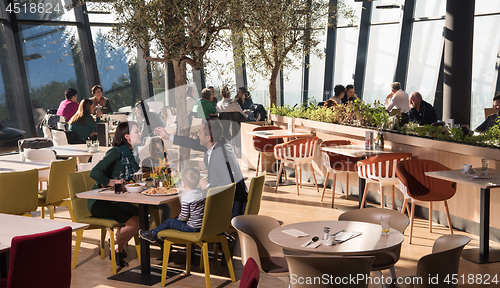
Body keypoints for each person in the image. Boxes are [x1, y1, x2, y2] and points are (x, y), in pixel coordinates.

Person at [154, 118, 247, 218]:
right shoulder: (217, 143)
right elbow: (191, 143)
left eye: (199, 132)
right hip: (225, 200)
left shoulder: (221, 157)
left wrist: (208, 186)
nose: (197, 135)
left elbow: (229, 186)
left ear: (208, 138)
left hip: (230, 207)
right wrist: (168, 136)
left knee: (187, 212)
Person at [89, 121, 141, 267]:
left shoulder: (131, 153)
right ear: (127, 136)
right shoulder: (116, 152)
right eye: (137, 131)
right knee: (134, 222)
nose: (140, 134)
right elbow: (95, 172)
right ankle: (117, 247)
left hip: (117, 199)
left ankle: (117, 245)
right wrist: (110, 181)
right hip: (100, 201)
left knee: (143, 217)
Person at [138, 167, 206, 242]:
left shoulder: (186, 197)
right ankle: (162, 236)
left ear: (183, 183)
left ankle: (152, 234)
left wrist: (178, 219)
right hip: (202, 226)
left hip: (191, 227)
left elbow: (184, 216)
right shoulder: (201, 193)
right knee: (173, 220)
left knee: (169, 222)